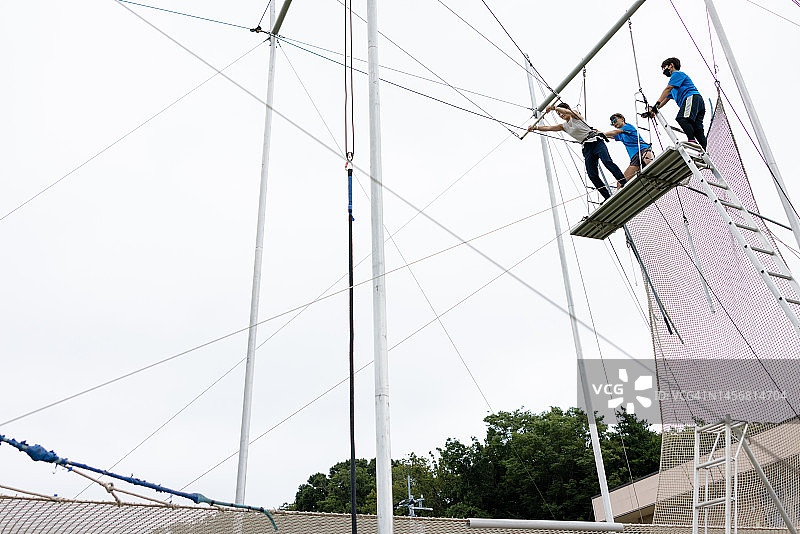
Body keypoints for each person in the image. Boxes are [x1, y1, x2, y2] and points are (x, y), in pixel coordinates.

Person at [528, 102, 626, 200]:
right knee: (591, 174)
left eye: (561, 112)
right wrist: (535, 128)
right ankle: (606, 196)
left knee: (607, 162)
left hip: (596, 141)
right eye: (559, 114)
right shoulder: (564, 126)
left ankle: (623, 181)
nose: (561, 115)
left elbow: (567, 111)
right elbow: (549, 128)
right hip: (586, 147)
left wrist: (554, 108)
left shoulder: (575, 115)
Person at [645, 57, 707, 149]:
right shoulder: (675, 86)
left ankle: (691, 140)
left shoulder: (676, 74)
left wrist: (656, 103)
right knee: (697, 128)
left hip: (692, 97)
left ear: (671, 65)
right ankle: (704, 151)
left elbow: (667, 89)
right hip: (697, 102)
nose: (664, 71)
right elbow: (666, 99)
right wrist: (654, 110)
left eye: (665, 67)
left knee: (682, 118)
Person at [604, 113, 654, 187]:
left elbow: (614, 132)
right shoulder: (620, 135)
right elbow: (611, 136)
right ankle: (620, 198)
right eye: (612, 123)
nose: (614, 123)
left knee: (648, 160)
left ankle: (657, 174)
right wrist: (596, 132)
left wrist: (603, 134)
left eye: (615, 120)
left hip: (643, 149)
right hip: (634, 157)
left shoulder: (628, 127)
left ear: (622, 119)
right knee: (620, 183)